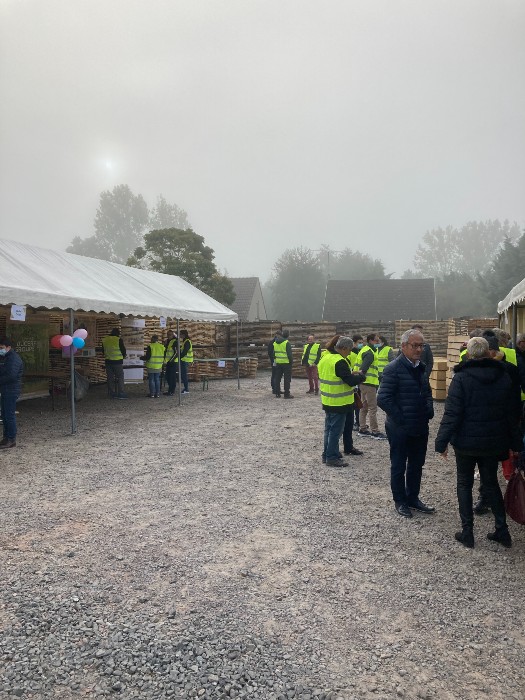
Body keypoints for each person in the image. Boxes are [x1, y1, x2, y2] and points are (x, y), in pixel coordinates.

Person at [435, 337, 521, 549]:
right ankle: (502, 530)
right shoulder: (503, 376)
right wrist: (516, 443)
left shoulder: (461, 378)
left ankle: (468, 532)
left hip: (465, 441)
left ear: (470, 354)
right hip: (493, 440)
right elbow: (512, 413)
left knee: (464, 483)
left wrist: (441, 441)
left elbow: (452, 414)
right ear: (489, 353)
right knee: (491, 482)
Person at [377, 328, 435, 518]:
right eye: (415, 345)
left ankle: (413, 498)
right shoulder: (393, 369)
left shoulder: (421, 366)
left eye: (421, 345)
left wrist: (428, 409)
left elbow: (426, 391)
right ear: (403, 347)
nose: (419, 349)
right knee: (399, 465)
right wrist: (401, 419)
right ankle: (400, 501)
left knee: (417, 464)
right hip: (400, 428)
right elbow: (383, 398)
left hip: (419, 425)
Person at [318, 336, 365, 467]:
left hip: (328, 400)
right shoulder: (339, 361)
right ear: (343, 348)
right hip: (339, 402)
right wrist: (361, 377)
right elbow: (349, 381)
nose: (350, 353)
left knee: (329, 429)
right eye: (349, 350)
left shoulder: (325, 357)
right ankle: (332, 457)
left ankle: (326, 454)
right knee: (336, 431)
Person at [355, 332, 386, 439]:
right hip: (369, 383)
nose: (378, 342)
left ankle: (362, 429)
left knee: (364, 407)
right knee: (372, 408)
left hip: (364, 383)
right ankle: (375, 431)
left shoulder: (366, 350)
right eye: (376, 340)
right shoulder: (369, 353)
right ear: (370, 341)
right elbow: (363, 369)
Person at [0, 337, 23, 449]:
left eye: (1, 348)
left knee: (9, 415)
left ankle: (11, 439)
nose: (0, 350)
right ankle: (6, 438)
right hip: (5, 389)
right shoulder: (5, 357)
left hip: (11, 390)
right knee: (4, 415)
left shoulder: (13, 359)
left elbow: (11, 376)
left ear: (8, 347)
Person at [101, 327, 127, 399]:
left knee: (110, 378)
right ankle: (121, 393)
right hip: (117, 361)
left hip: (108, 361)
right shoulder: (118, 340)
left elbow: (103, 351)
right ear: (118, 333)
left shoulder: (105, 340)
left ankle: (112, 393)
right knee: (120, 377)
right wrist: (123, 356)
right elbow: (123, 351)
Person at [272, 329, 293, 399]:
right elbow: (289, 355)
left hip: (278, 363)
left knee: (277, 378)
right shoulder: (287, 343)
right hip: (286, 363)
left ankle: (277, 393)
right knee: (287, 379)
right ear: (288, 335)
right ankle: (286, 394)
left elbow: (274, 354)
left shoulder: (275, 343)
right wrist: (291, 362)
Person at [163, 329, 178, 396]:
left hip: (173, 362)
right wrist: (165, 345)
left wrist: (171, 360)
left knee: (172, 377)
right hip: (168, 362)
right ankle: (170, 390)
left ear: (173, 335)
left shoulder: (175, 341)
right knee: (167, 377)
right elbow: (166, 351)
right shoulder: (168, 341)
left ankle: (171, 391)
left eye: (170, 335)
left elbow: (177, 353)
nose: (168, 336)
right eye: (167, 334)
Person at [179, 329, 193, 395]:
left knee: (184, 375)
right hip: (184, 360)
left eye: (180, 334)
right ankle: (185, 388)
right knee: (183, 375)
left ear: (183, 335)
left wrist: (180, 356)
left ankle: (186, 389)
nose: (179, 335)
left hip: (185, 360)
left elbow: (185, 351)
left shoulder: (187, 341)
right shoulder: (185, 341)